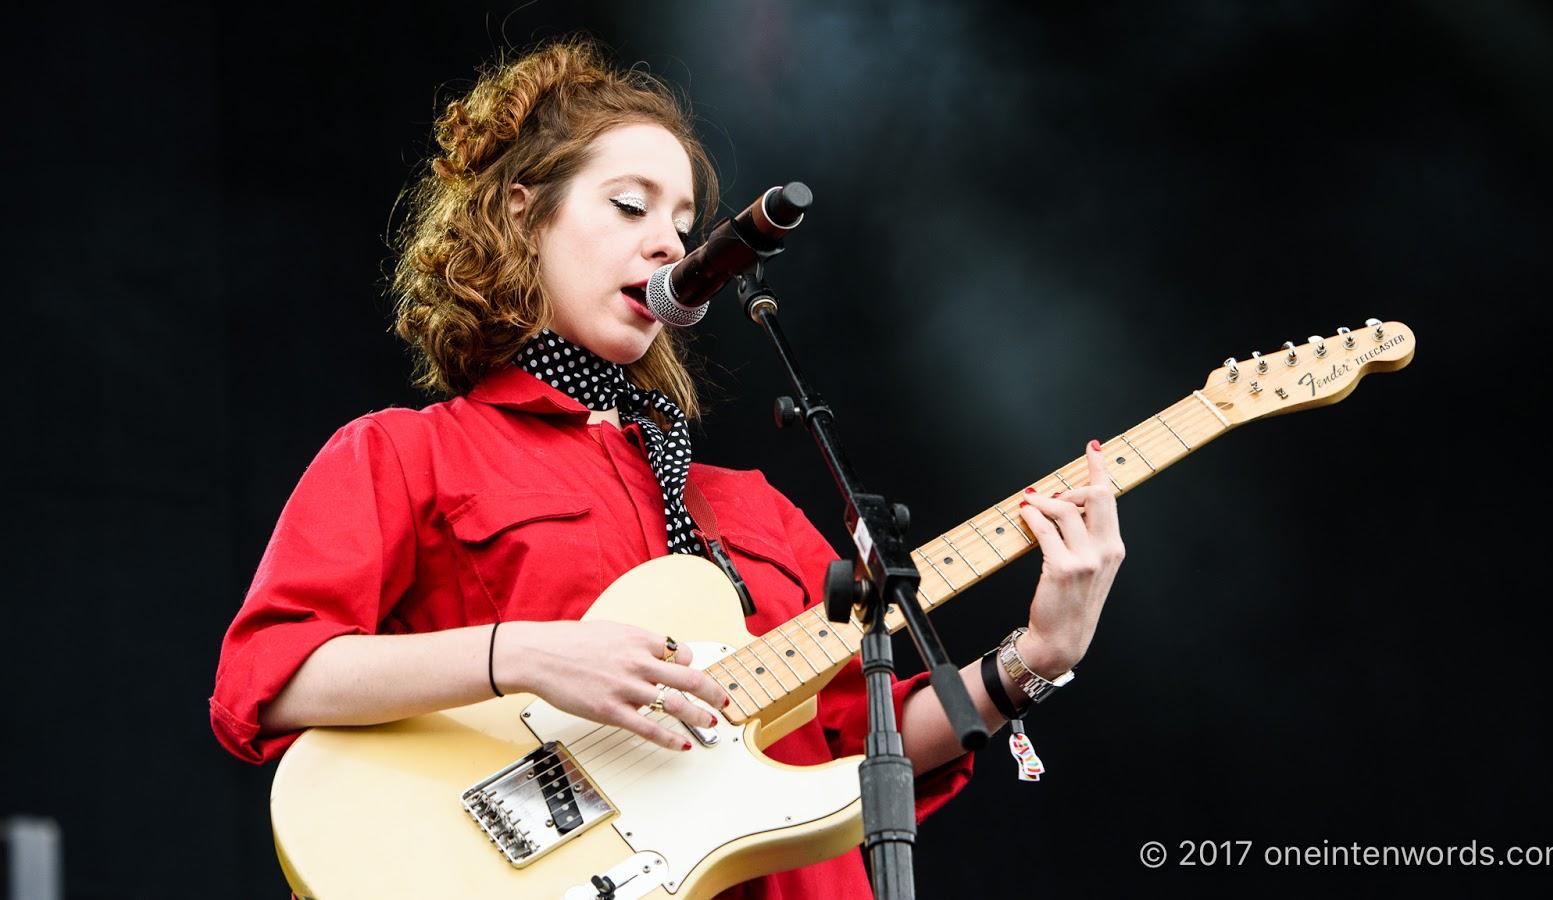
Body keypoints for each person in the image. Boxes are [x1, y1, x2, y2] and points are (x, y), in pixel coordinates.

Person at [210, 36, 1126, 899]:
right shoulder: (408, 452)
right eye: (630, 205)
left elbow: (859, 739)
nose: (669, 245)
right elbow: (271, 678)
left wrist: (1036, 658)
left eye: (686, 223)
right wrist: (525, 656)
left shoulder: (751, 509)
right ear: (521, 212)